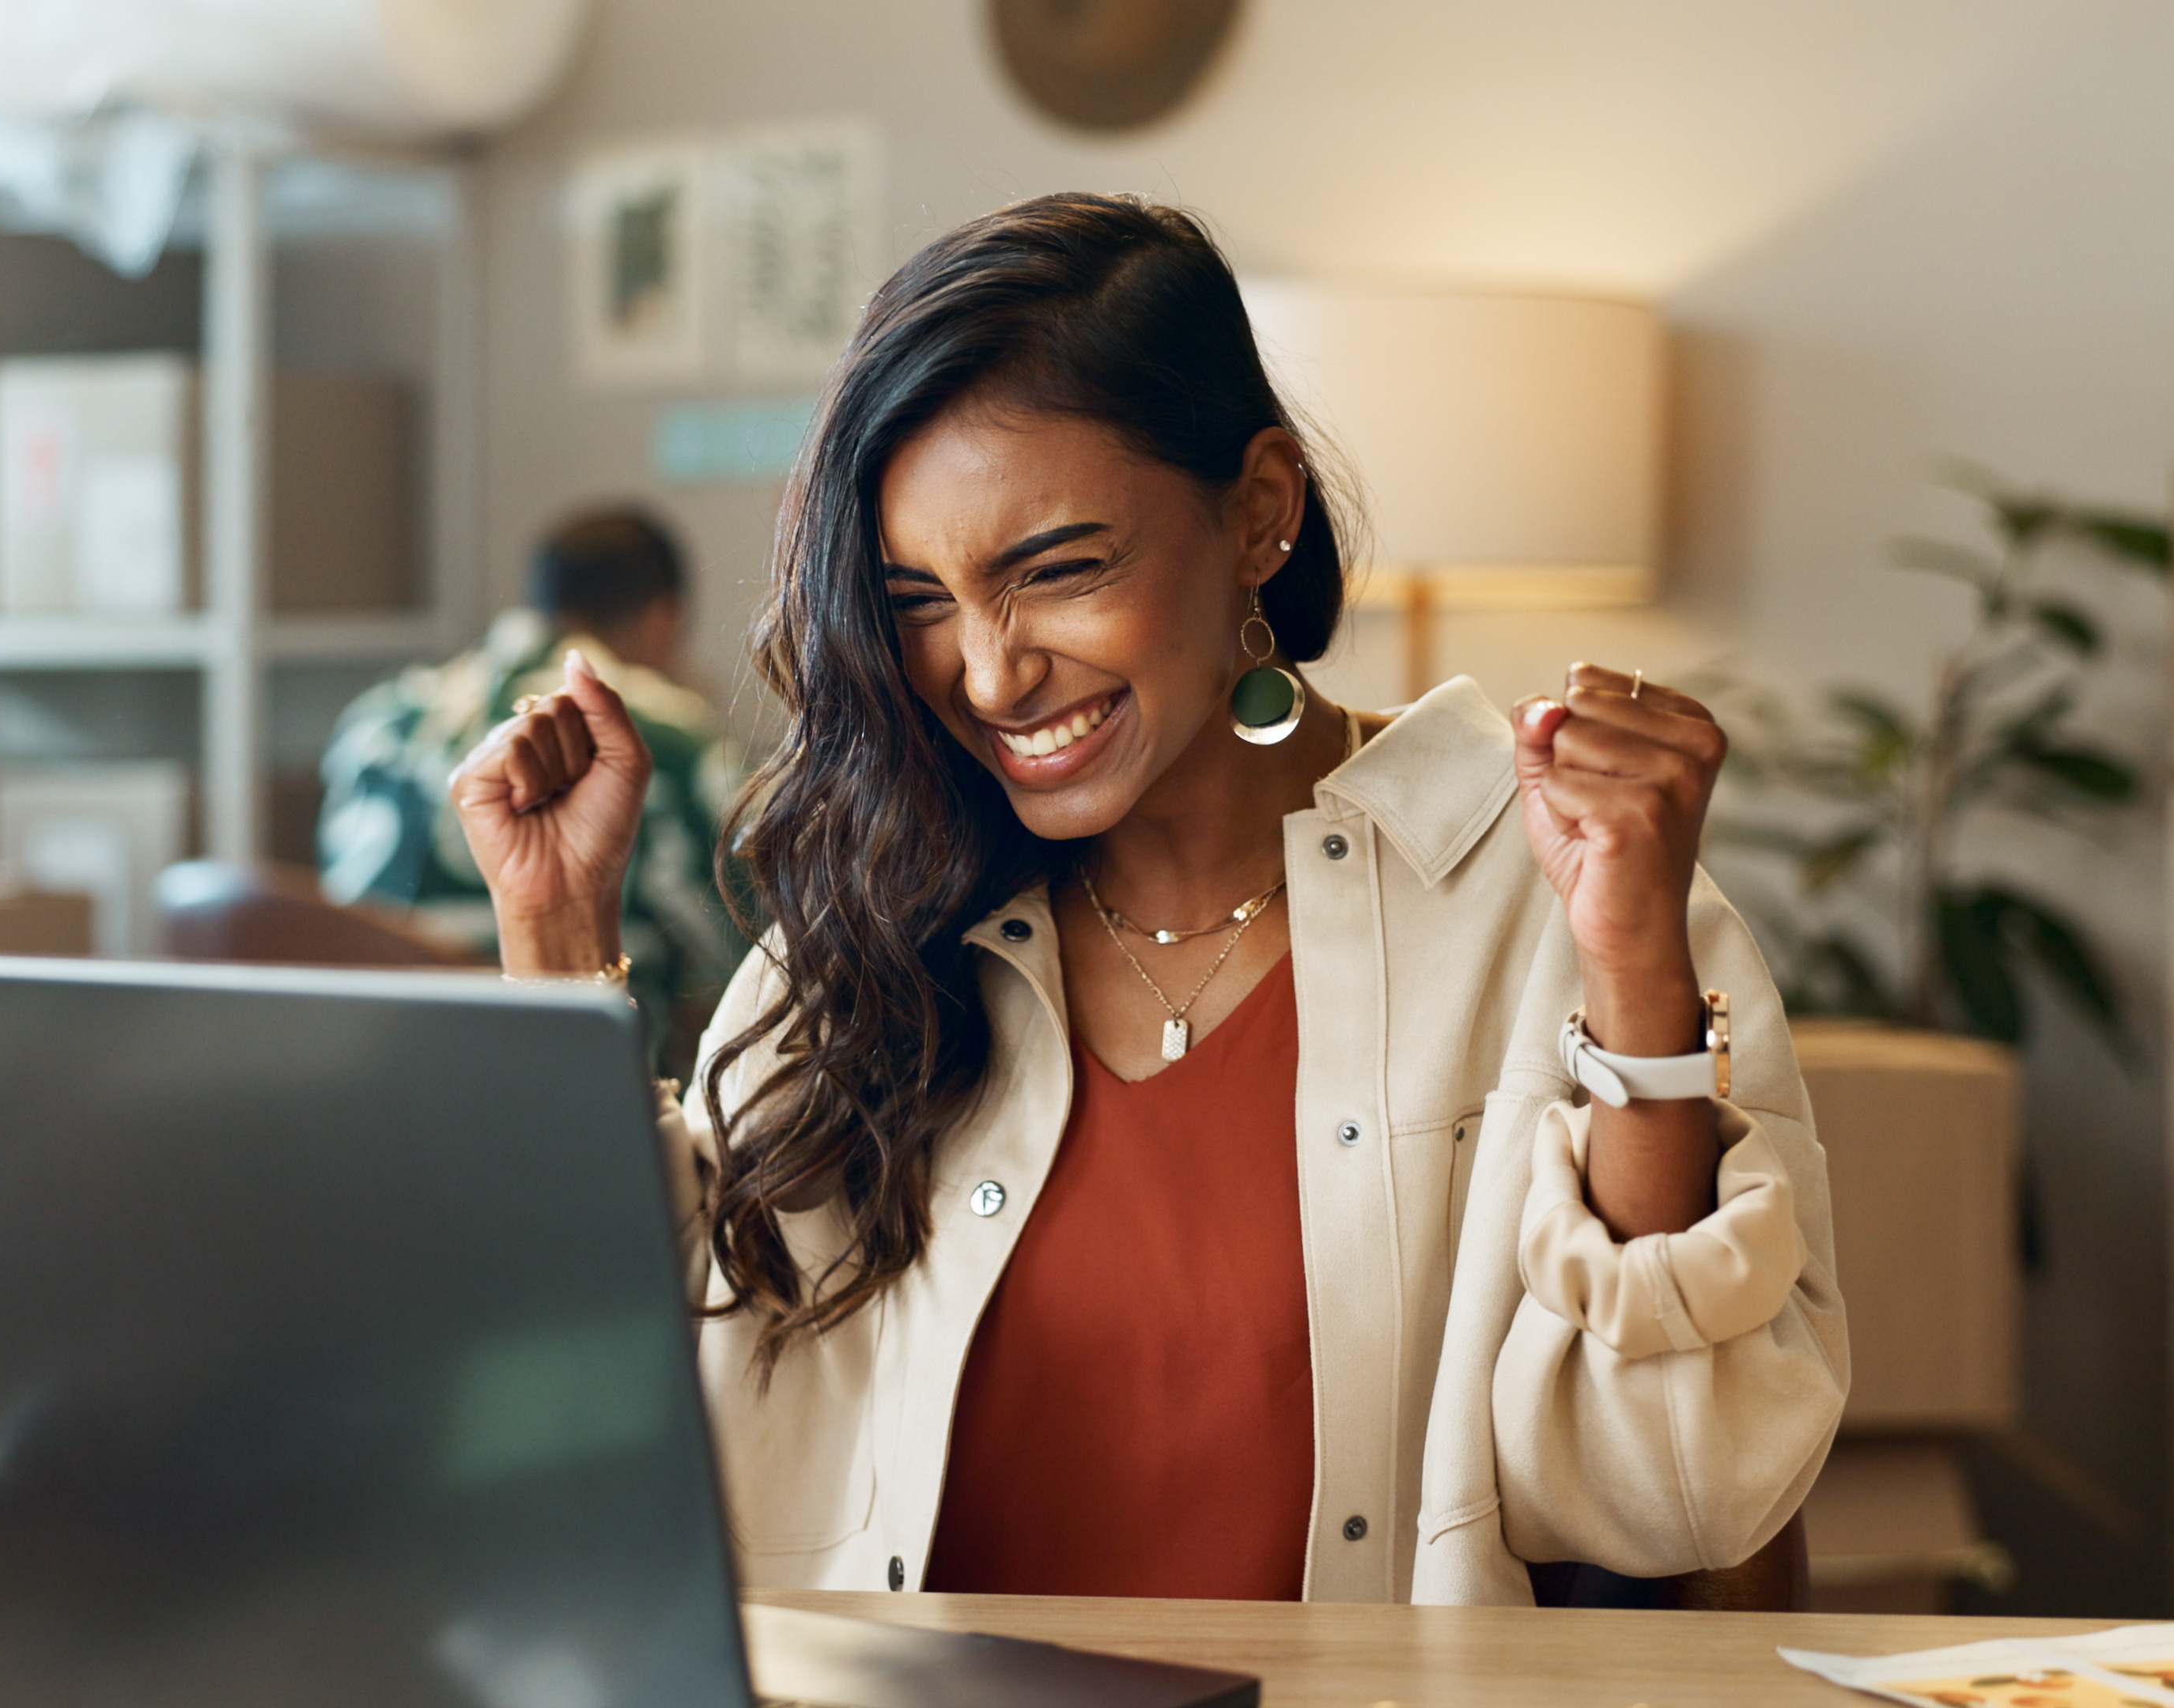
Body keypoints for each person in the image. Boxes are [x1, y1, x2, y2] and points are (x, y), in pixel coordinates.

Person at [451, 195, 1847, 1605]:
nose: (988, 677)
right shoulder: (874, 923)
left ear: (1258, 511)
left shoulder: (1547, 897)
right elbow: (587, 1408)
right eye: (920, 600)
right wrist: (558, 940)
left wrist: (1633, 976)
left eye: (1057, 571)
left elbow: (1680, 1489)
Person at [318, 504, 744, 1064]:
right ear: (664, 619)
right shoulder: (669, 738)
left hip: (375, 1080)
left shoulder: (376, 724)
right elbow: (755, 974)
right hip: (586, 1090)